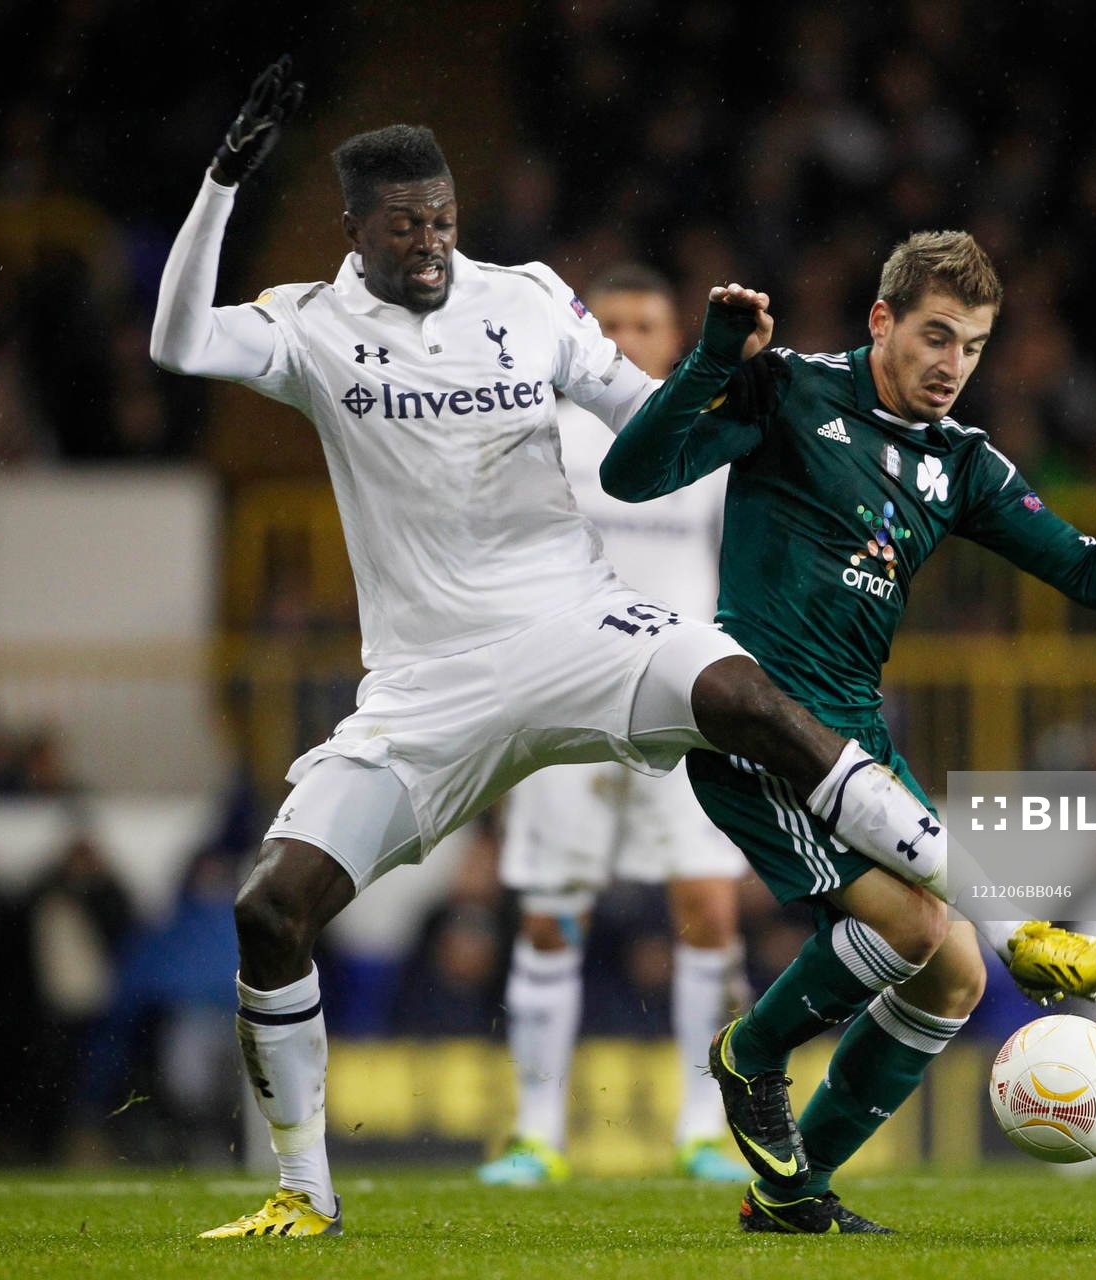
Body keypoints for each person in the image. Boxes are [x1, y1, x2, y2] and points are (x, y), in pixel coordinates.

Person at [150, 60, 1096, 1239]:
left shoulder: (532, 301)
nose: (432, 242)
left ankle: (1001, 929)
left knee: (746, 695)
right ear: (355, 231)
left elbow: (655, 431)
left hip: (574, 626)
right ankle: (305, 1189)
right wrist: (223, 182)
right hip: (427, 684)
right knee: (270, 908)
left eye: (445, 218)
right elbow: (180, 339)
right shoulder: (310, 323)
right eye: (406, 226)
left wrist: (725, 374)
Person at [602, 232, 1096, 1233]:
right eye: (933, 336)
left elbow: (1092, 574)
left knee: (956, 967)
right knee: (914, 927)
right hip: (760, 722)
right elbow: (630, 472)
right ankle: (750, 1051)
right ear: (882, 321)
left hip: (858, 735)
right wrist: (710, 359)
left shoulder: (962, 462)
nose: (951, 364)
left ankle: (790, 1192)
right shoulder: (787, 389)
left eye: (971, 345)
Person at [479, 265, 750, 1186]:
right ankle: (538, 1130)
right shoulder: (543, 437)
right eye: (617, 323)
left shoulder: (710, 444)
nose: (630, 339)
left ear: (675, 341)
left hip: (685, 704)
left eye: (648, 324)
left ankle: (702, 1127)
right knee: (553, 918)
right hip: (569, 700)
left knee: (709, 910)